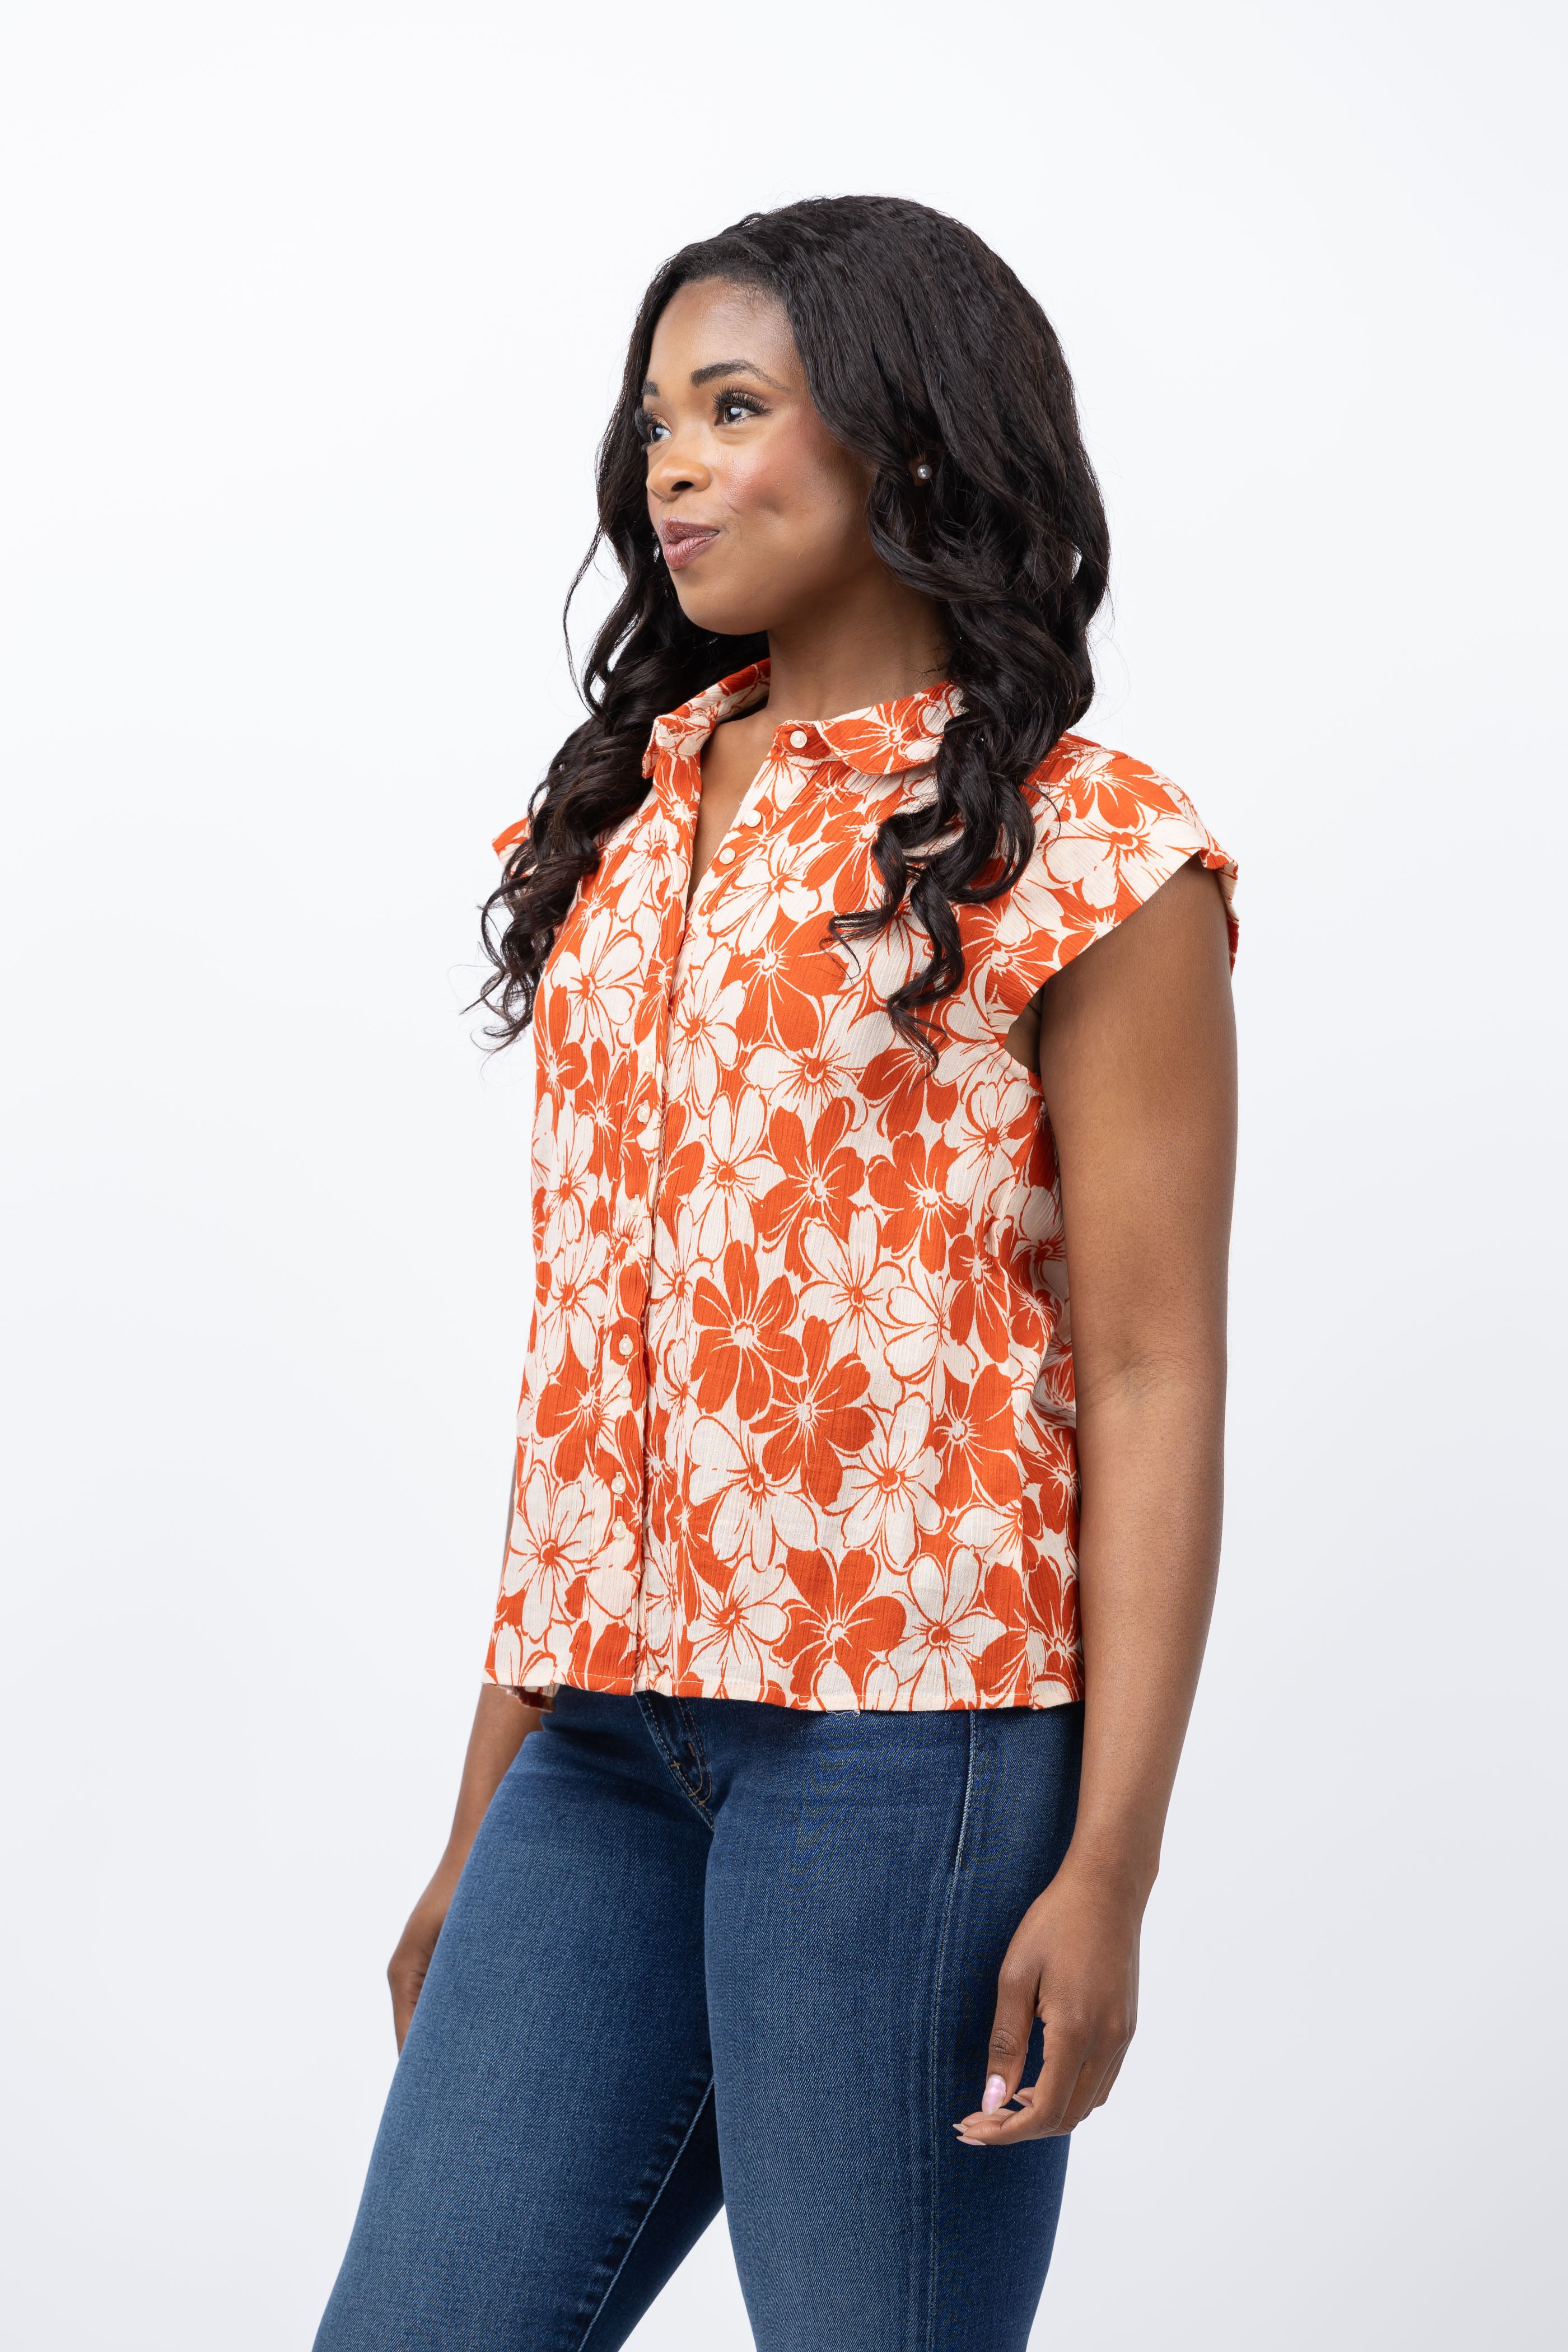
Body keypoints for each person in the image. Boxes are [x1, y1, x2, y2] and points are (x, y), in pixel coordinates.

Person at [314, 194, 1238, 2352]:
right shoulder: (621, 832)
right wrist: (484, 1814)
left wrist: (1112, 1862)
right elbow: (594, 1357)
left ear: (908, 437)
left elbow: (1154, 1366)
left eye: (735, 407)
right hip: (600, 1753)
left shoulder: (1090, 851)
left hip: (911, 1754)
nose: (675, 466)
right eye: (657, 420)